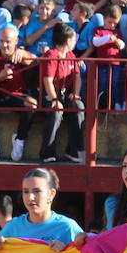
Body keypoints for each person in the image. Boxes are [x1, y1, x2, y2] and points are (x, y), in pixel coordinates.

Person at [0, 25, 39, 162]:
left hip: (17, 95)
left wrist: (24, 54)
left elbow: (36, 62)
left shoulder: (21, 54)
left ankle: (20, 139)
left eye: (8, 41)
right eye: (2, 41)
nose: (4, 45)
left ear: (16, 41)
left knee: (32, 104)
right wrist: (0, 77)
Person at [38, 22, 84, 163]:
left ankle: (74, 150)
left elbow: (77, 77)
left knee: (79, 106)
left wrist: (75, 93)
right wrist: (54, 99)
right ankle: (47, 152)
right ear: (67, 41)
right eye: (74, 39)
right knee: (57, 110)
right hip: (49, 94)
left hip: (66, 93)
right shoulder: (51, 55)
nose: (75, 42)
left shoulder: (71, 55)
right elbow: (48, 81)